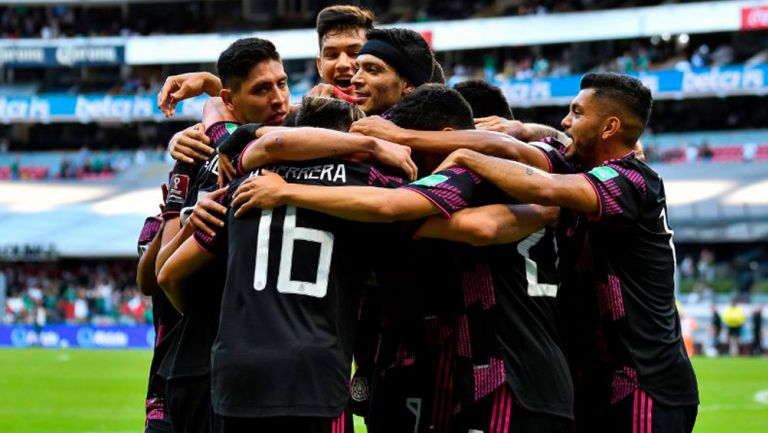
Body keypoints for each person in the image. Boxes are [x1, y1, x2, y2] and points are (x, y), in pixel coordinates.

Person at [234, 84, 573, 433]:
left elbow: (405, 209)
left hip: (503, 379)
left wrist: (287, 190)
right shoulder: (546, 172)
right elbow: (562, 145)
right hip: (544, 368)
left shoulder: (462, 174)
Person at [433, 72, 699, 433]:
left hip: (644, 384)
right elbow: (541, 148)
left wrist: (466, 156)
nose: (565, 121)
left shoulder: (632, 179)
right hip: (592, 381)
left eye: (576, 112)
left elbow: (540, 184)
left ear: (609, 127)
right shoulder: (584, 169)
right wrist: (523, 129)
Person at [158, 96, 408, 433]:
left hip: (237, 369)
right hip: (314, 368)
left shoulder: (244, 182)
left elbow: (169, 275)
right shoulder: (365, 182)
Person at [152, 37, 291, 433]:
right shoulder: (205, 159)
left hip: (262, 363)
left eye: (282, 83)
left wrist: (209, 88)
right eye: (263, 89)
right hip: (207, 364)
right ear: (233, 100)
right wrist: (185, 220)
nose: (279, 98)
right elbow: (164, 276)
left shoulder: (291, 141)